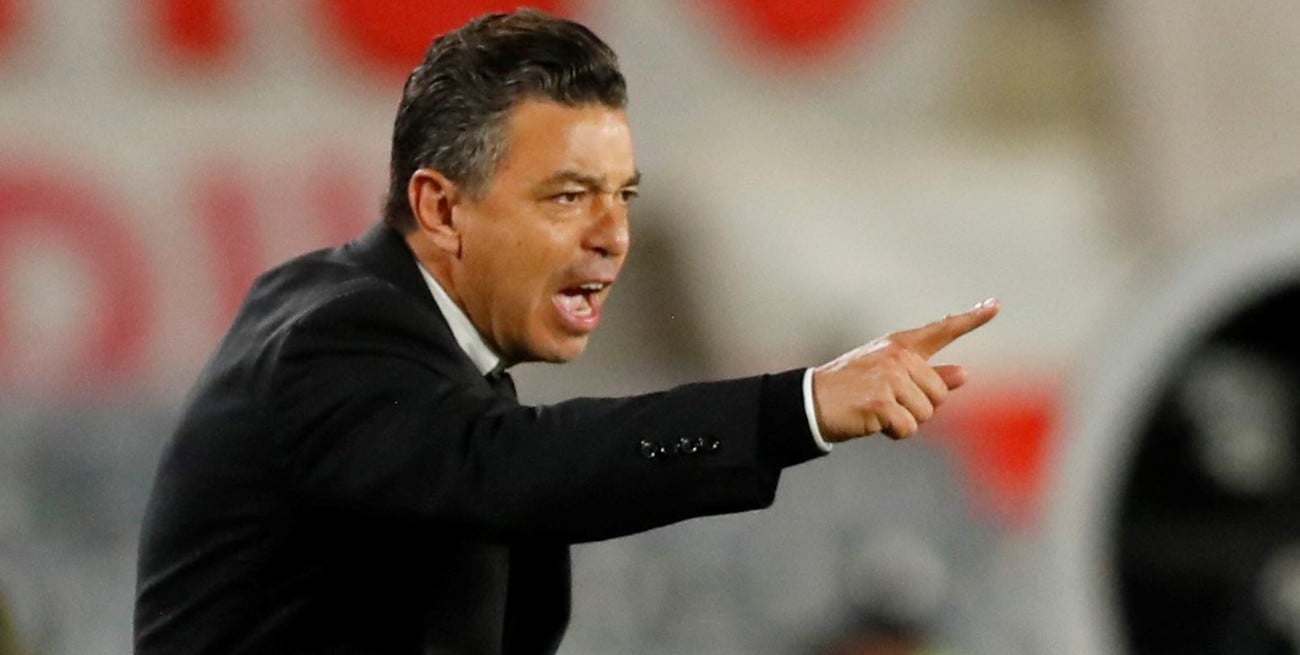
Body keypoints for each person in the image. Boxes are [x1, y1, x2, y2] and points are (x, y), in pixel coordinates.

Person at [133, 9, 998, 655]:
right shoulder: (337, 339)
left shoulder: (421, 349)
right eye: (568, 196)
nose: (613, 236)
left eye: (623, 196)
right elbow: (513, 466)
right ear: (442, 209)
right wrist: (796, 408)